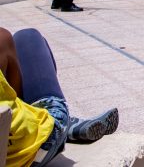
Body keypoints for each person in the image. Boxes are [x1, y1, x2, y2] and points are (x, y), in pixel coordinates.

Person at [0, 27, 120, 166]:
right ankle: (65, 125)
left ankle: (68, 125)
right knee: (27, 37)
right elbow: (18, 97)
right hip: (32, 151)